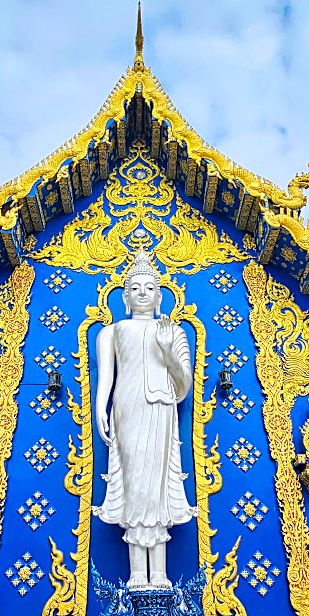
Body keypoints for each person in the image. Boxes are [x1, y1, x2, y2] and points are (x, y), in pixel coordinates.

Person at [92, 249, 197, 589]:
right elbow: (106, 379)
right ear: (125, 298)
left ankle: (160, 574)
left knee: (158, 484)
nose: (142, 294)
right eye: (135, 288)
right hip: (127, 408)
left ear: (159, 296)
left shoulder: (173, 332)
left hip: (161, 408)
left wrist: (166, 349)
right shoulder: (112, 332)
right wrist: (100, 409)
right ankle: (138, 573)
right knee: (134, 482)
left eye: (149, 288)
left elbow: (184, 385)